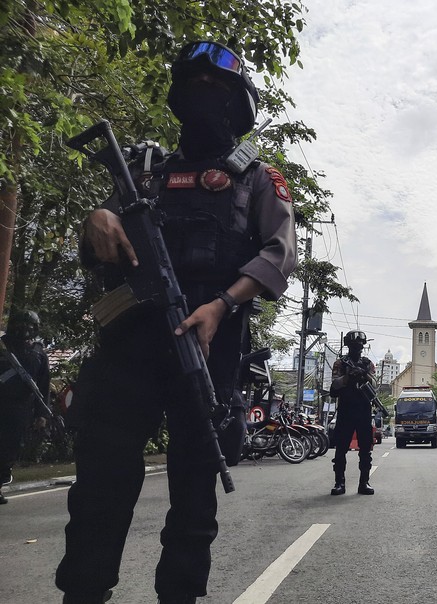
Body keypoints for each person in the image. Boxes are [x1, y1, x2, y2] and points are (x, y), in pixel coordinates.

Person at [56, 40, 297, 604]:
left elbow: (280, 253)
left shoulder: (258, 178)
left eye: (216, 90)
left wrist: (223, 304)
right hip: (130, 348)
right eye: (193, 86)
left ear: (239, 108)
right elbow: (103, 237)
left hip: (209, 354)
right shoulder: (146, 171)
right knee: (100, 490)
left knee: (194, 496)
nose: (203, 98)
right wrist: (96, 218)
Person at [0, 310, 51, 505]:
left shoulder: (38, 353)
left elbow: (43, 387)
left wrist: (42, 414)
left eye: (29, 326)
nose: (25, 330)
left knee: (8, 449)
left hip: (20, 410)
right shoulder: (2, 346)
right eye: (22, 325)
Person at [329, 330, 377, 496]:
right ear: (347, 345)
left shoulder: (368, 363)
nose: (357, 347)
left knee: (365, 449)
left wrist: (363, 374)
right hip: (346, 409)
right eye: (353, 345)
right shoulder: (340, 364)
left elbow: (375, 385)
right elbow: (334, 386)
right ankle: (339, 482)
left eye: (359, 344)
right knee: (341, 448)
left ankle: (364, 482)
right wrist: (348, 377)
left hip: (363, 409)